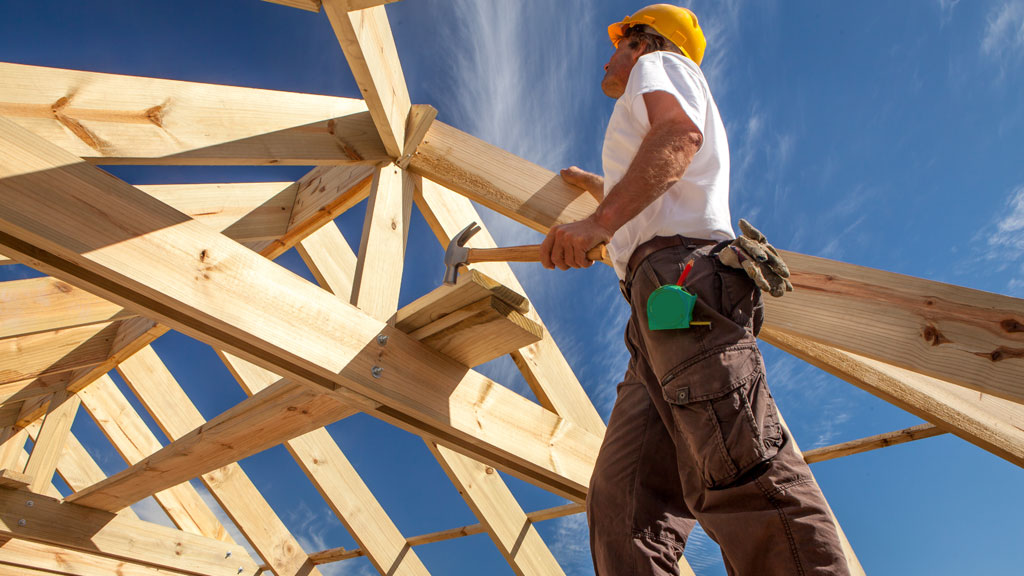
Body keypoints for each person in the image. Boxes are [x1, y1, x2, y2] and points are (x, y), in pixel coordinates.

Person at [539, 5, 851, 575]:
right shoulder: (647, 91)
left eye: (618, 44)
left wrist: (600, 221)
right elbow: (660, 180)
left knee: (740, 472)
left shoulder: (657, 66)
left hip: (682, 284)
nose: (607, 58)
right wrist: (600, 194)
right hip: (653, 311)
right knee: (624, 507)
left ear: (641, 42)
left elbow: (679, 137)